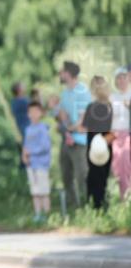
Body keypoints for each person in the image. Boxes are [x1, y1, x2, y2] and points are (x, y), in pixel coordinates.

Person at [52, 61, 92, 208]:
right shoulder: (65, 93)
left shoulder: (82, 92)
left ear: (68, 73)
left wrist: (68, 127)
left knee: (82, 177)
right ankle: (75, 208)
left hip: (80, 142)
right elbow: (63, 115)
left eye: (62, 71)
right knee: (66, 176)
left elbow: (83, 121)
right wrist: (56, 112)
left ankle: (90, 208)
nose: (60, 74)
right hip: (67, 140)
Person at [75, 76, 113, 210]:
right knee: (103, 180)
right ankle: (104, 207)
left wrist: (79, 121)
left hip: (93, 148)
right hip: (107, 147)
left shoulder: (91, 107)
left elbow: (82, 129)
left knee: (92, 180)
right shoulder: (110, 107)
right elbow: (114, 131)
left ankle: (95, 209)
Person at [21, 102, 52, 223]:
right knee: (35, 192)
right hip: (31, 165)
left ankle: (47, 215)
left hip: (41, 165)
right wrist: (24, 155)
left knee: (43, 191)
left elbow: (45, 147)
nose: (33, 114)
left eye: (36, 111)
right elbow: (26, 146)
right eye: (31, 112)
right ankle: (37, 214)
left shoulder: (43, 128)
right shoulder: (28, 129)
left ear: (41, 113)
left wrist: (30, 152)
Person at [111, 67, 131, 201]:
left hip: (128, 134)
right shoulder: (112, 97)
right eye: (118, 78)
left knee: (127, 162)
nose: (121, 80)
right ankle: (123, 198)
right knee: (117, 167)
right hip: (114, 135)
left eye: (123, 77)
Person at [10, 82, 30, 170]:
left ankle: (22, 176)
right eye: (22, 86)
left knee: (22, 155)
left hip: (19, 131)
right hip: (26, 130)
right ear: (19, 90)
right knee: (27, 156)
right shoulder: (23, 101)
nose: (25, 87)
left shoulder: (14, 102)